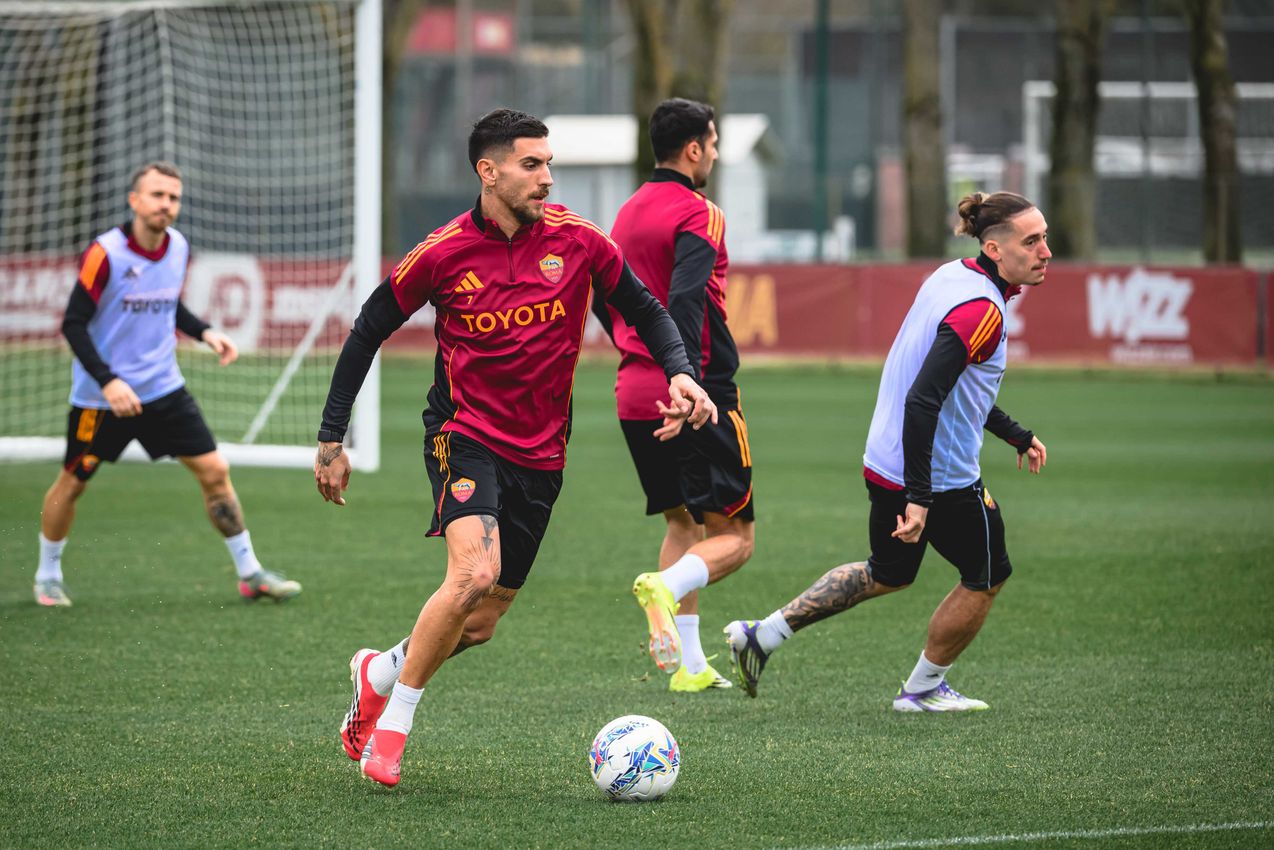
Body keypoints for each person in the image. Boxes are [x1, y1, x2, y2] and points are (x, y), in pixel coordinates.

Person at [315, 108, 716, 788]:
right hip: (462, 433)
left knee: (480, 622)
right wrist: (332, 436)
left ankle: (378, 671)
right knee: (471, 575)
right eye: (532, 165)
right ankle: (392, 730)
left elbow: (645, 308)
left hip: (541, 453)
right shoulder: (442, 252)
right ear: (488, 170)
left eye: (548, 164)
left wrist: (679, 369)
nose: (547, 178)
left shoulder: (579, 241)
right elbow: (368, 328)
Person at [724, 191, 1049, 712]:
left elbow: (952, 387)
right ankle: (921, 690)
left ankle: (764, 634)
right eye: (1031, 241)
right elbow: (924, 400)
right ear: (993, 248)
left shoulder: (951, 276)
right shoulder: (983, 311)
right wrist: (921, 498)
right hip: (937, 476)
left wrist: (1012, 432)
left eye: (1044, 238)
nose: (1045, 251)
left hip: (885, 461)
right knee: (988, 574)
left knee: (888, 572)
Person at [34, 161, 299, 608]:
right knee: (73, 482)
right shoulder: (106, 253)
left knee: (215, 471)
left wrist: (206, 332)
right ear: (134, 200)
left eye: (173, 197)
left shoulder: (177, 246)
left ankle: (251, 573)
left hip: (163, 388)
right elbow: (73, 324)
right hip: (102, 399)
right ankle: (47, 576)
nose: (166, 205)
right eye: (157, 195)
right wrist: (109, 381)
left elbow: (167, 304)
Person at [593, 98, 754, 692]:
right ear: (693, 149)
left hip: (634, 389)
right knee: (735, 539)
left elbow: (601, 296)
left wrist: (640, 353)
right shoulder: (699, 211)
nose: (714, 152)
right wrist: (683, 380)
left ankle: (689, 668)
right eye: (712, 143)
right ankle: (664, 587)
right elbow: (686, 300)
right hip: (696, 391)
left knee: (681, 522)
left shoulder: (627, 213)